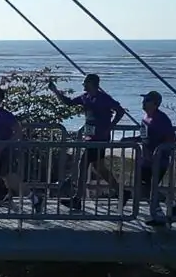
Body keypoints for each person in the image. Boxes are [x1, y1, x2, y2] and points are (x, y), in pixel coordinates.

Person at [50, 74, 128, 209]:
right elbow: (69, 102)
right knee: (100, 168)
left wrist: (110, 126)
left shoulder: (104, 98)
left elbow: (120, 111)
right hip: (90, 137)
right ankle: (122, 192)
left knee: (83, 164)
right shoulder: (85, 97)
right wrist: (55, 91)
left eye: (85, 82)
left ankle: (77, 199)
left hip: (100, 139)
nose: (83, 84)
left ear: (92, 83)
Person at [125, 91, 176, 224]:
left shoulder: (161, 119)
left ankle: (159, 214)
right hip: (146, 161)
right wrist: (130, 139)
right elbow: (144, 137)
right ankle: (172, 205)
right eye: (144, 100)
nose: (143, 102)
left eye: (147, 100)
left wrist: (160, 151)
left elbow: (172, 139)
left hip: (158, 161)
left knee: (148, 189)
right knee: (144, 188)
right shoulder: (145, 118)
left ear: (155, 103)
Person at [0, 88, 43, 214]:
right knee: (11, 181)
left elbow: (18, 132)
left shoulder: (6, 115)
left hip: (5, 152)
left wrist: (5, 144)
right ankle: (35, 199)